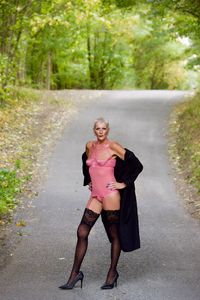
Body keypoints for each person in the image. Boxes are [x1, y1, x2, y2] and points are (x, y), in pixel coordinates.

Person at [59, 117, 143, 290]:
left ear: (108, 130)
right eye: (98, 128)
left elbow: (136, 165)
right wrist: (89, 180)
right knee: (82, 231)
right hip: (96, 195)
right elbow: (87, 162)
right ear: (94, 130)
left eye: (104, 128)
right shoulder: (90, 146)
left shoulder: (114, 147)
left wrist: (123, 183)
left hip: (111, 195)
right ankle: (75, 274)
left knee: (114, 235)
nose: (101, 131)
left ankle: (112, 273)